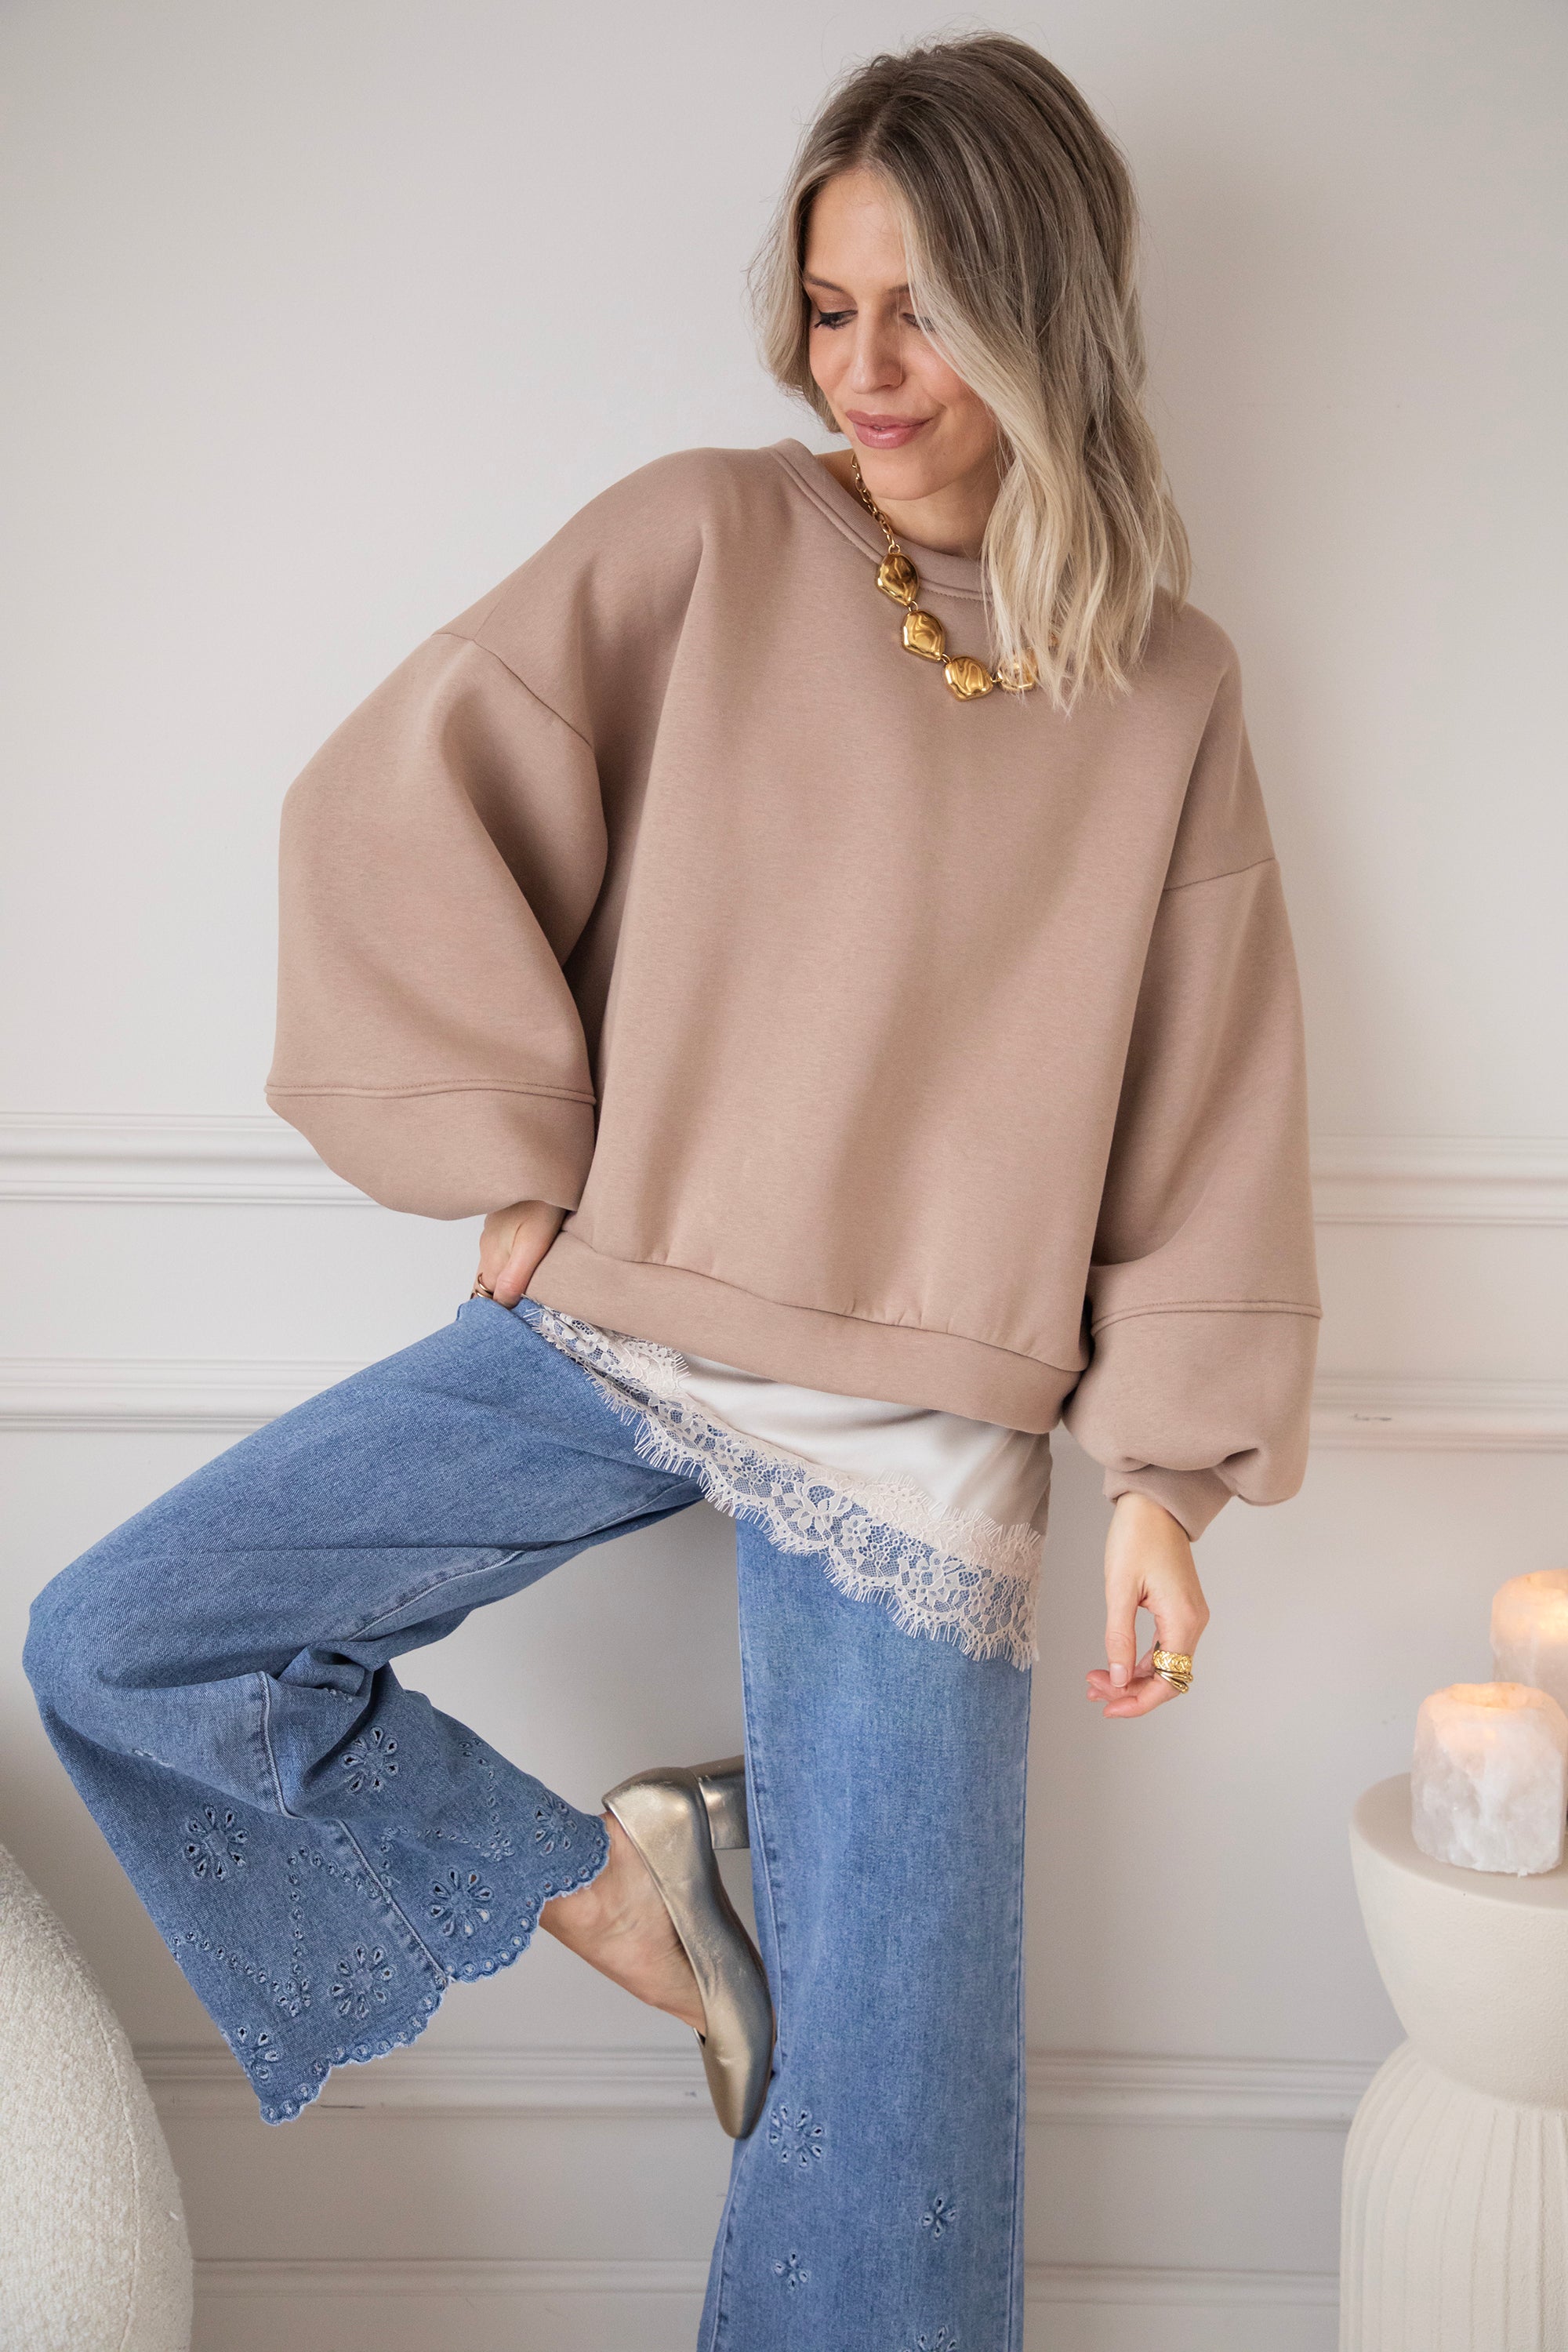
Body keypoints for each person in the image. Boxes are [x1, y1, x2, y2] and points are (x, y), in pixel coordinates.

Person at [24, 31, 1319, 2350]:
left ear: (1045, 315)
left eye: (922, 313)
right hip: (622, 1321)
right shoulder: (706, 536)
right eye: (829, 310)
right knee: (131, 1638)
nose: (865, 370)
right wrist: (511, 1162)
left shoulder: (1167, 686)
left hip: (926, 1436)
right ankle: (642, 1892)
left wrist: (1164, 1485)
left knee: (896, 2162)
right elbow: (388, 805)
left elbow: (1207, 1089)